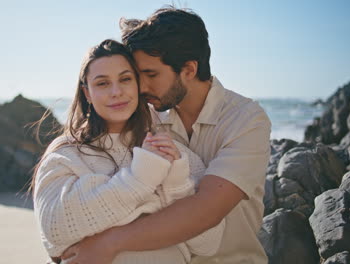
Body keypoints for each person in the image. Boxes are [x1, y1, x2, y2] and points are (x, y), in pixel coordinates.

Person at [60, 7, 272, 264]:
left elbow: (205, 211)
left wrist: (109, 243)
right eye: (137, 76)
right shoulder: (148, 117)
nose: (141, 87)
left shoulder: (246, 119)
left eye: (151, 75)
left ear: (189, 70)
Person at [32, 39, 225, 264]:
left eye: (125, 79)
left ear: (138, 85)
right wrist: (140, 178)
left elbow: (209, 243)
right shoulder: (66, 154)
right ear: (87, 93)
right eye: (102, 83)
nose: (116, 92)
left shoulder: (173, 152)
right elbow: (55, 232)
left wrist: (177, 184)